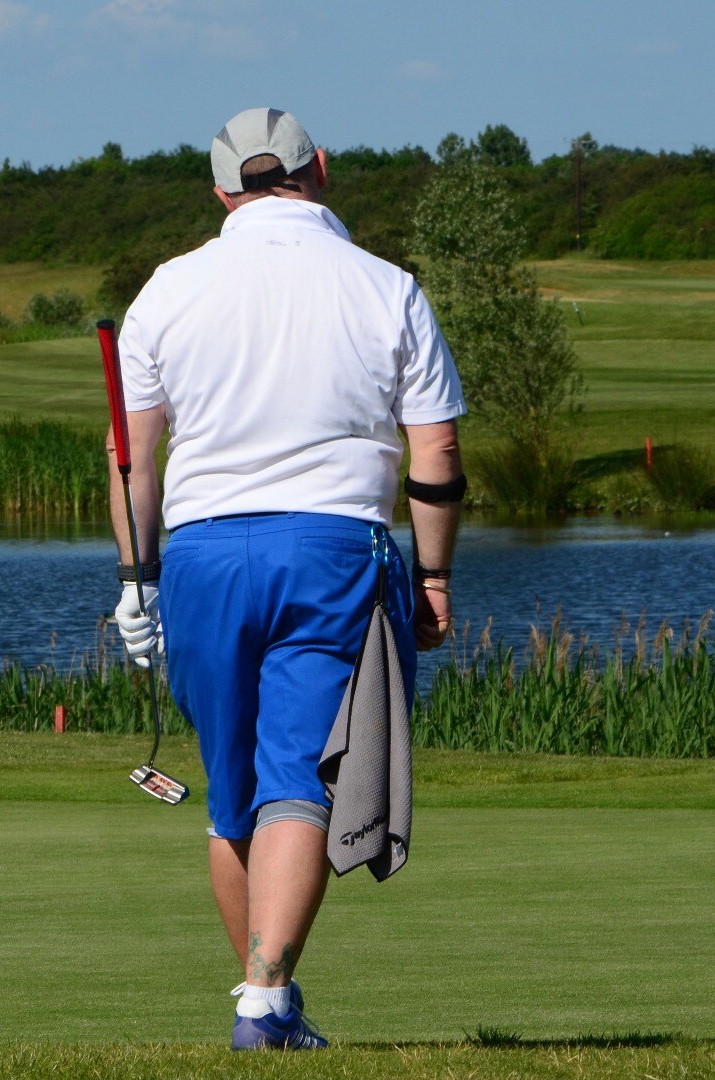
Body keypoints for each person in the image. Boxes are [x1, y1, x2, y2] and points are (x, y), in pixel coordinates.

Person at [107, 107, 466, 1050]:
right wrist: (434, 578)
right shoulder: (388, 286)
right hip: (334, 552)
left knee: (234, 796)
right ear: (322, 169)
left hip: (201, 557)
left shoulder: (168, 288)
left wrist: (136, 581)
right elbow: (435, 453)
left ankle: (267, 1003)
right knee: (299, 781)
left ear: (221, 191)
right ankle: (263, 1000)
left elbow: (131, 457)